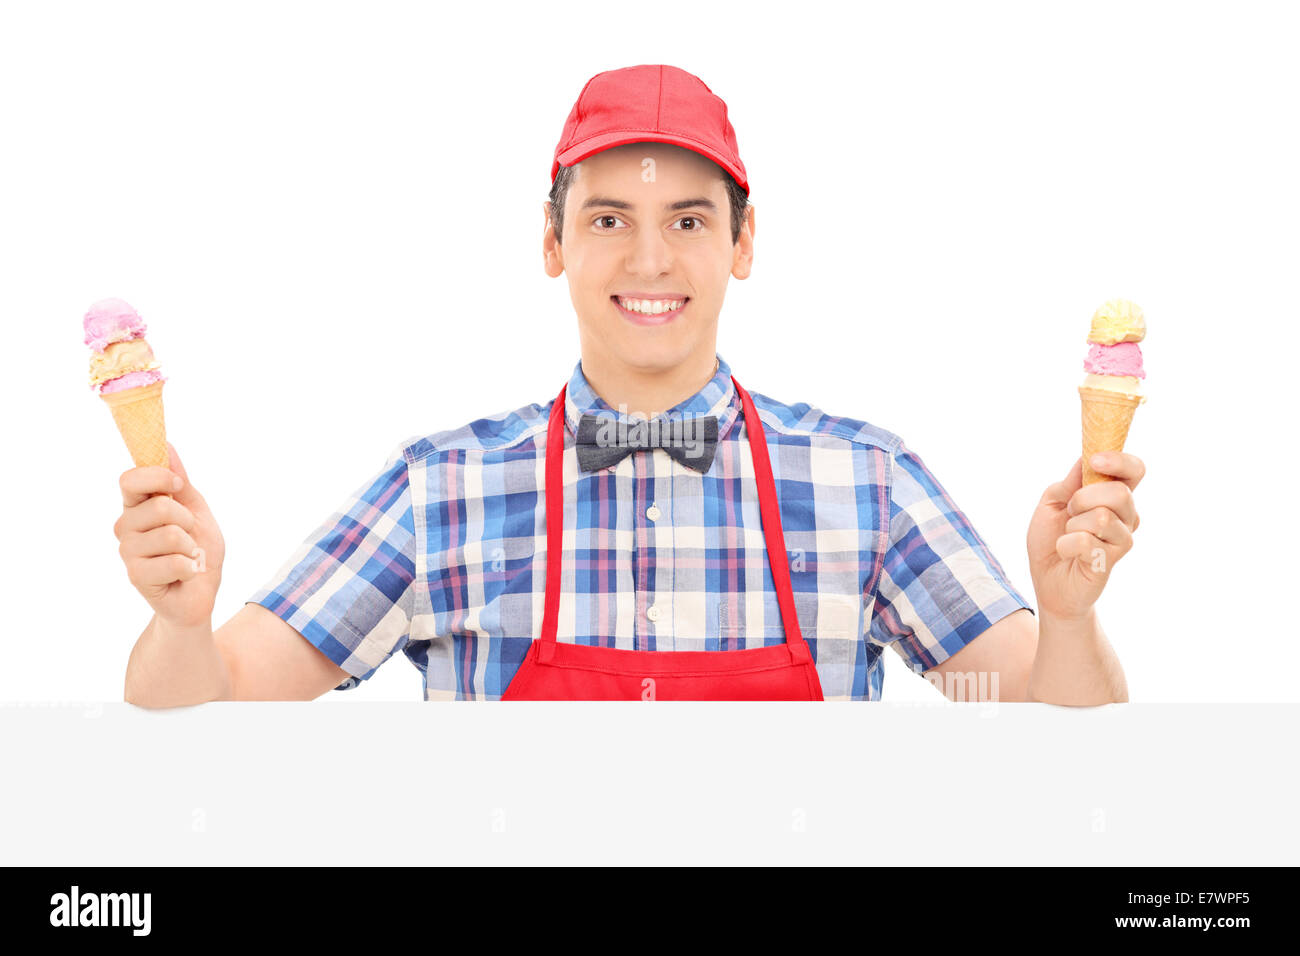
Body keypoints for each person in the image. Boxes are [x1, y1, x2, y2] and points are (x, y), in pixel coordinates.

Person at [117, 64, 1143, 706]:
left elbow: (1056, 738)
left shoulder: (866, 482)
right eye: (608, 218)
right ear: (553, 243)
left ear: (744, 244)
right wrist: (180, 624)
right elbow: (217, 705)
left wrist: (1064, 620)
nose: (649, 260)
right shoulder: (440, 488)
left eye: (688, 220)